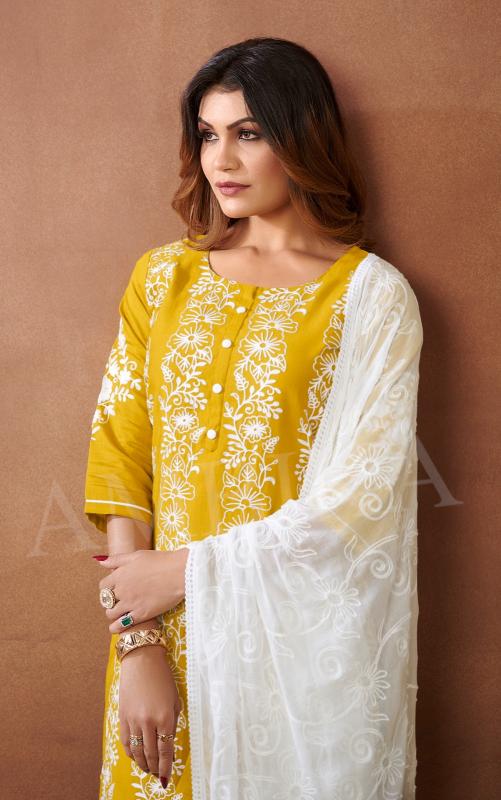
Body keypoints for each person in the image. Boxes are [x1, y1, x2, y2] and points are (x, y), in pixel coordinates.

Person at [84, 36, 423, 799]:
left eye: (248, 133)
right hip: (160, 634)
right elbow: (120, 455)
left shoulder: (370, 298)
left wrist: (187, 570)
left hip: (295, 651)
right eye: (207, 135)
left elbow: (360, 500)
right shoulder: (161, 280)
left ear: (300, 136)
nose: (222, 160)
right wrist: (137, 644)